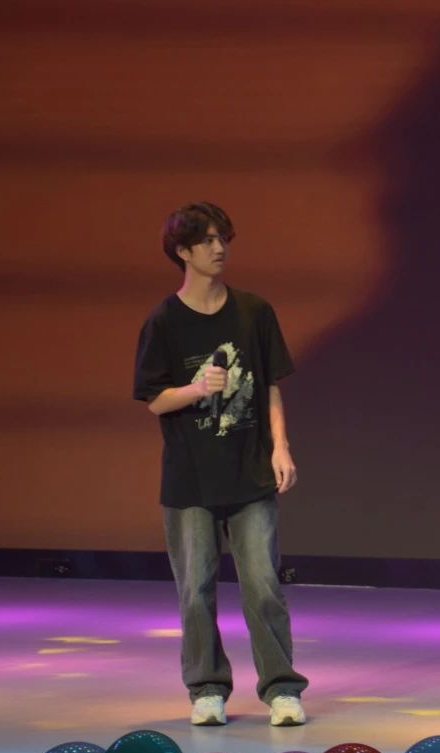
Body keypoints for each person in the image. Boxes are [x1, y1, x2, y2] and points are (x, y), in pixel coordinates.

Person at [133, 201, 308, 726]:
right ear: (182, 251)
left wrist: (280, 446)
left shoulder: (254, 312)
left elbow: (270, 386)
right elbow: (153, 399)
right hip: (190, 479)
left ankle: (281, 689)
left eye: (222, 238)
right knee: (196, 589)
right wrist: (195, 389)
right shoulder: (164, 321)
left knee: (263, 585)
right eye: (207, 240)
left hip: (249, 472)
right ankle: (207, 688)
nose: (219, 248)